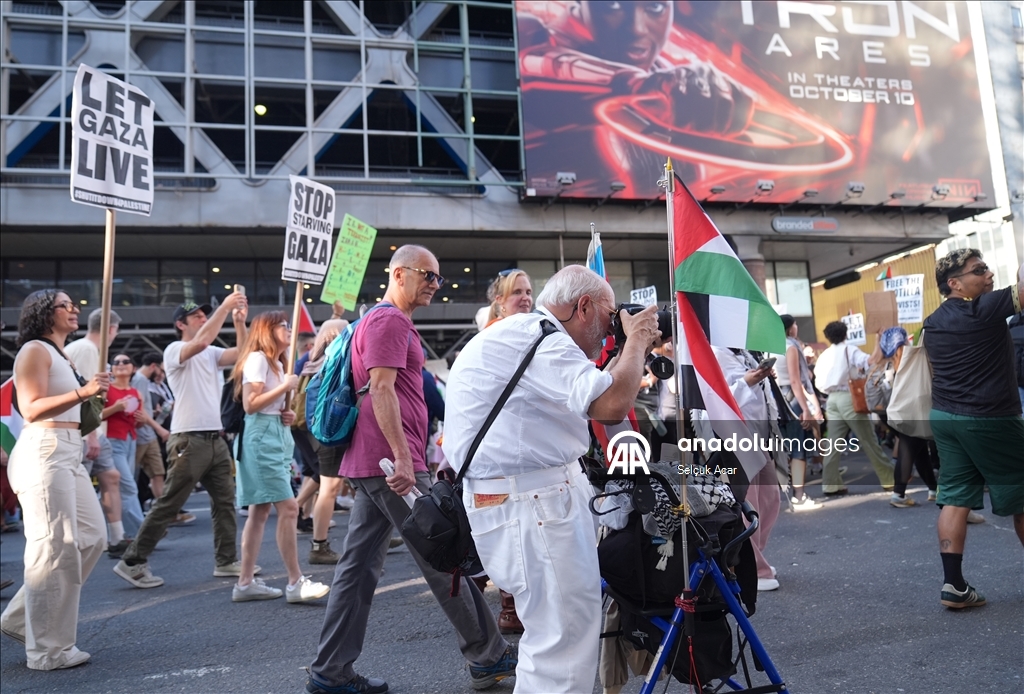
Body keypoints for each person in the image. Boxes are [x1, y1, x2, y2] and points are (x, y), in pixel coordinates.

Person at [306, 245, 515, 694]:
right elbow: (381, 390)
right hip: (390, 463)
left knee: (358, 569)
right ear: (399, 274)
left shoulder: (378, 319)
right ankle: (489, 655)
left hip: (373, 461)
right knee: (442, 554)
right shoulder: (390, 320)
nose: (435, 284)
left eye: (438, 277)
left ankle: (331, 671)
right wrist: (403, 457)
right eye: (428, 275)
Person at [445, 264, 661, 693]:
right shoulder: (542, 339)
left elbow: (596, 387)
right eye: (609, 316)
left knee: (554, 639)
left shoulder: (524, 335)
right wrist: (637, 339)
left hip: (524, 502)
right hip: (534, 505)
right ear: (584, 307)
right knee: (562, 643)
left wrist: (625, 347)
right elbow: (611, 404)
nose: (610, 329)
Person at [0, 289, 109, 670]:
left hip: (68, 449)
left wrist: (90, 396)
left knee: (92, 537)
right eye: (66, 304)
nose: (74, 309)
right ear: (45, 312)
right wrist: (84, 391)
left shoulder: (62, 354)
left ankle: (20, 619)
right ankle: (47, 651)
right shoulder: (34, 350)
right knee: (53, 547)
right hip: (45, 449)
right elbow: (30, 408)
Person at [113, 295, 250, 589]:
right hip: (189, 438)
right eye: (196, 316)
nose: (203, 319)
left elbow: (242, 354)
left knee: (225, 502)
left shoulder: (210, 352)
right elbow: (200, 343)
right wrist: (225, 308)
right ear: (180, 324)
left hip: (213, 436)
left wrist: (239, 323)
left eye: (204, 315)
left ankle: (226, 560)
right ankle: (132, 561)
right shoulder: (174, 349)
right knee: (170, 502)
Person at [924, 250, 1024, 609]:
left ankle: (954, 585)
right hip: (989, 418)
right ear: (954, 283)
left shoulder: (932, 321)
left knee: (954, 498)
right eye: (978, 270)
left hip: (946, 417)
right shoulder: (982, 309)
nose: (988, 274)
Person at [230, 311, 330, 604]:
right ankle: (295, 582)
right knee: (288, 508)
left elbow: (263, 404)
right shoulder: (258, 359)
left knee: (260, 512)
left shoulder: (275, 362)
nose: (289, 329)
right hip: (261, 438)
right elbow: (250, 404)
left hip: (272, 433)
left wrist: (282, 411)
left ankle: (245, 582)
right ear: (267, 331)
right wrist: (285, 388)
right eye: (283, 326)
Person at [65, 309, 142, 549]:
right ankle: (81, 540)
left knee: (111, 477)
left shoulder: (83, 348)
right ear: (111, 328)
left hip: (92, 429)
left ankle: (117, 536)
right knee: (81, 484)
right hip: (86, 431)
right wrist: (91, 436)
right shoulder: (88, 350)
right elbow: (86, 395)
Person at [712, 347, 784, 591]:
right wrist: (747, 381)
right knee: (748, 506)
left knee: (770, 499)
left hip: (757, 434)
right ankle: (753, 568)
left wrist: (760, 377)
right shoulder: (716, 353)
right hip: (736, 436)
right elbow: (716, 399)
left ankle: (752, 559)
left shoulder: (742, 351)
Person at [293, 319, 354, 564]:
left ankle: (368, 536)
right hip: (331, 429)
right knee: (329, 488)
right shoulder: (334, 360)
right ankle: (319, 545)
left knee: (331, 485)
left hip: (314, 429)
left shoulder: (310, 362)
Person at [813, 321, 895, 495]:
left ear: (828, 337)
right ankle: (889, 479)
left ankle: (830, 484)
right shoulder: (849, 350)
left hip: (831, 399)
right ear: (845, 334)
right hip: (849, 398)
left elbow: (818, 381)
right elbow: (872, 361)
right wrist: (878, 340)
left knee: (833, 445)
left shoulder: (824, 355)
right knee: (869, 440)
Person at [775, 315, 822, 510]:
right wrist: (806, 409)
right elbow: (796, 381)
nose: (797, 327)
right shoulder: (790, 347)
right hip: (791, 400)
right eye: (795, 324)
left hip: (774, 400)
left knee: (781, 449)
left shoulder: (768, 346)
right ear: (790, 328)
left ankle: (782, 496)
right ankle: (799, 496)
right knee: (798, 449)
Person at [100, 353, 144, 557]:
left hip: (129, 440)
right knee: (127, 486)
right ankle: (142, 531)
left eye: (126, 361)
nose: (120, 364)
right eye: (116, 362)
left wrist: (141, 420)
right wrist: (116, 407)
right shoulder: (107, 389)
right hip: (112, 440)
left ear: (133, 368)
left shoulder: (135, 392)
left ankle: (118, 532)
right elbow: (96, 415)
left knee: (117, 488)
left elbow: (137, 422)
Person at [132, 352, 170, 503]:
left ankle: (164, 510)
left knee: (157, 473)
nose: (161, 374)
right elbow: (138, 409)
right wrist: (159, 428)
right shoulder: (140, 380)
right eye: (161, 370)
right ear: (154, 366)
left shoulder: (141, 380)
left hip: (147, 434)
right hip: (141, 434)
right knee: (133, 475)